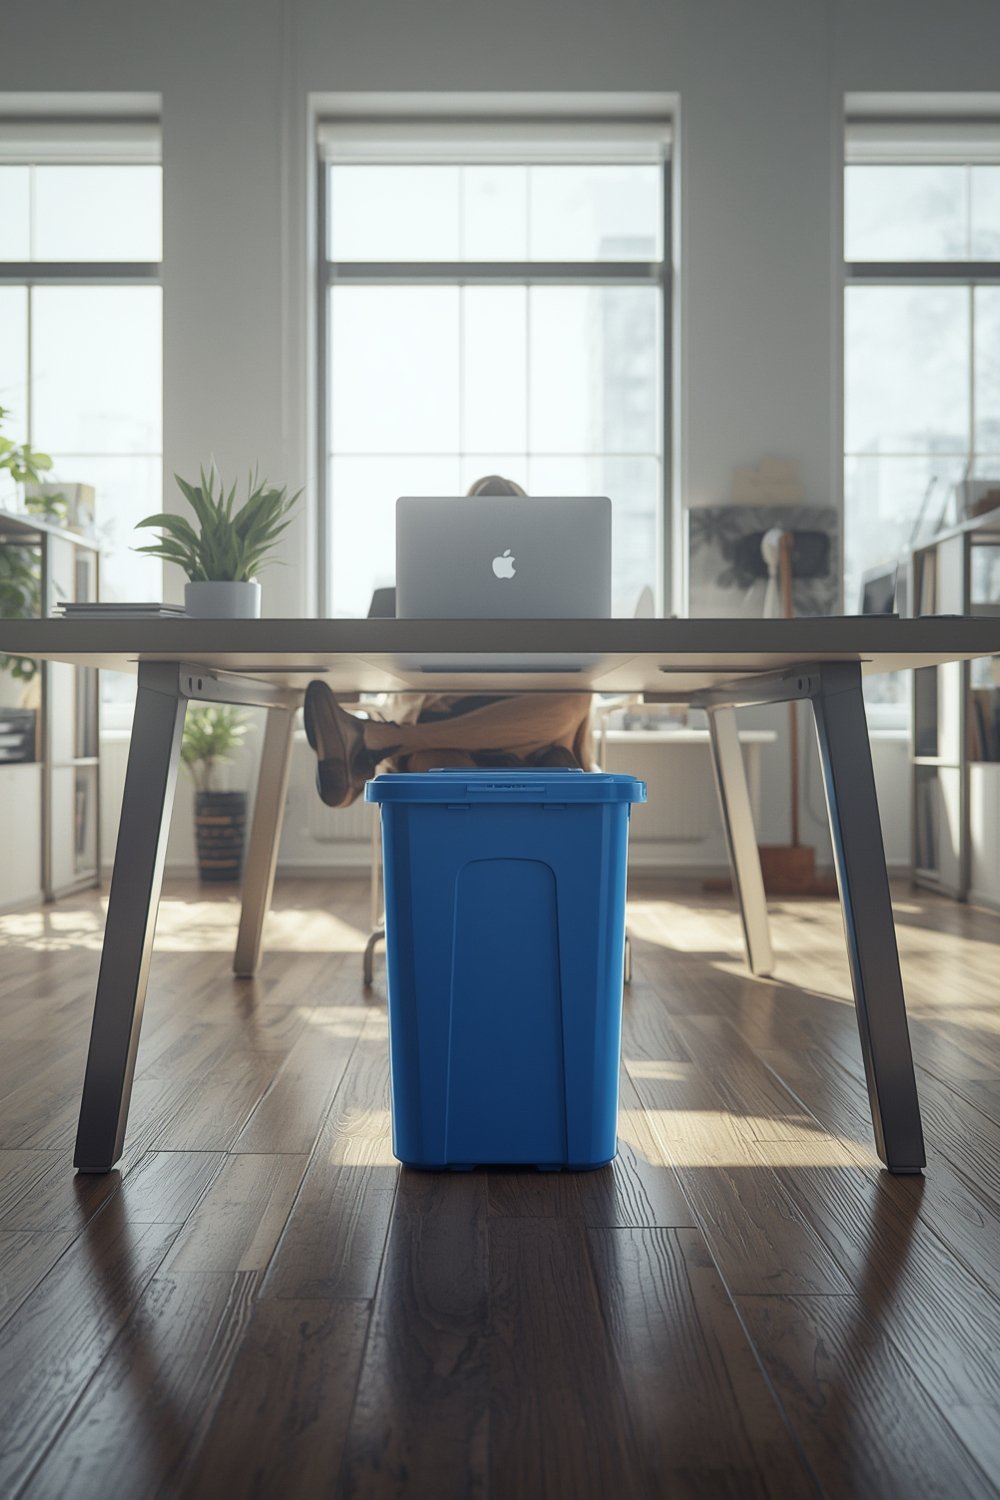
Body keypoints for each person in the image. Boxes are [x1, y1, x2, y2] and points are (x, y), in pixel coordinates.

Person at [303, 475, 593, 807]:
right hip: (452, 727)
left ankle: (377, 741)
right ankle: (382, 742)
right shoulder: (428, 588)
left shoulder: (552, 593)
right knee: (440, 771)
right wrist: (440, 683)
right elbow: (397, 677)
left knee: (571, 699)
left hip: (531, 727)